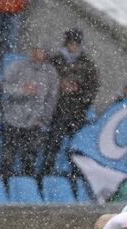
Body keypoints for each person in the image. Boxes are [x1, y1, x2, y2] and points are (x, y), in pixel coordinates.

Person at [42, 28, 98, 176]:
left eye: (76, 44)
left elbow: (92, 88)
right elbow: (47, 82)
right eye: (71, 43)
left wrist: (78, 92)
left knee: (76, 146)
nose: (73, 47)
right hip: (58, 110)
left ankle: (75, 174)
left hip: (77, 112)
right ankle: (46, 172)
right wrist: (59, 87)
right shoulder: (56, 61)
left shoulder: (87, 64)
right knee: (53, 144)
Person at [0, 43, 58, 176]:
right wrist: (21, 90)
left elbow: (51, 98)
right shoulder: (18, 66)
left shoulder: (51, 73)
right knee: (7, 159)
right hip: (13, 119)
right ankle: (4, 182)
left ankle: (26, 184)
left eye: (43, 51)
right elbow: (3, 87)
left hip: (34, 122)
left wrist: (43, 119)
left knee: (29, 160)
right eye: (37, 50)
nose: (39, 53)